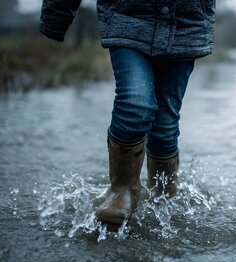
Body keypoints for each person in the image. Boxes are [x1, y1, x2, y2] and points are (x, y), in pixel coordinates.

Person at [39, 0, 216, 230]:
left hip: (185, 23)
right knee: (135, 104)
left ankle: (164, 198)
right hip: (128, 16)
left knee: (165, 124)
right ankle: (122, 189)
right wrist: (56, 16)